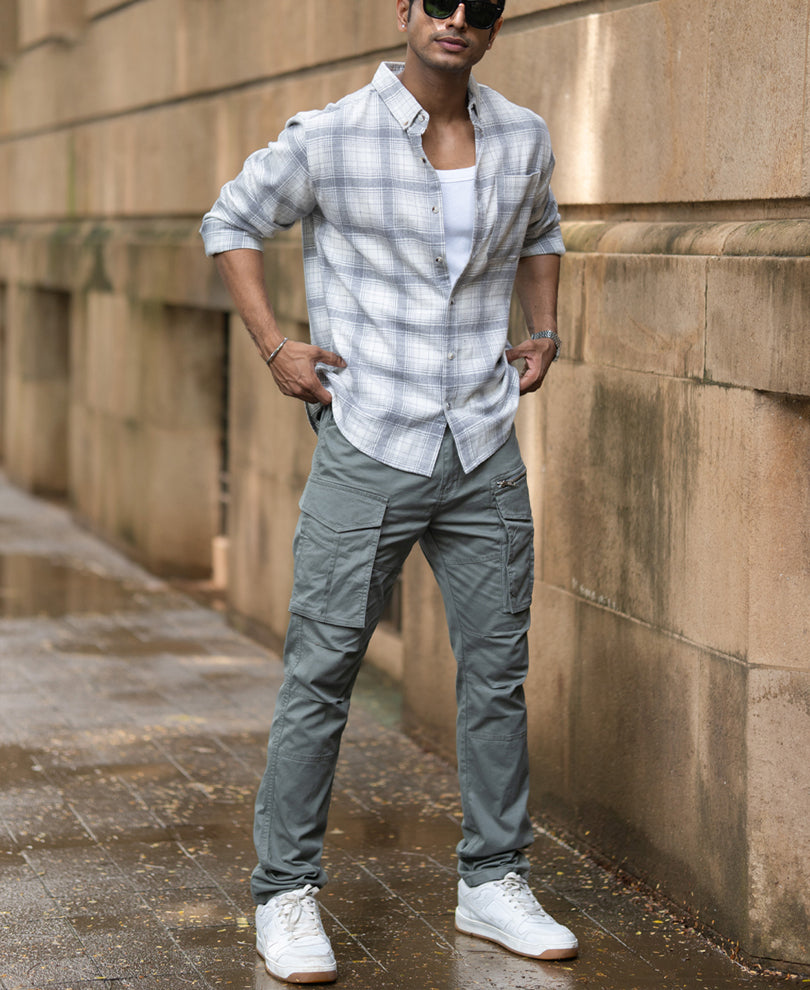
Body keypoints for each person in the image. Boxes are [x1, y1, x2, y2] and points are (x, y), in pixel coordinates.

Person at [201, 0, 578, 982]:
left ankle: (493, 879)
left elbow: (542, 229)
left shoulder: (523, 136)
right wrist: (275, 345)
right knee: (321, 673)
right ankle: (284, 892)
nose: (457, 19)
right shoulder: (331, 136)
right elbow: (229, 220)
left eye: (479, 6)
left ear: (495, 26)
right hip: (371, 441)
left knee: (496, 674)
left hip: (483, 443)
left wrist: (544, 329)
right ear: (403, 10)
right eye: (438, 0)